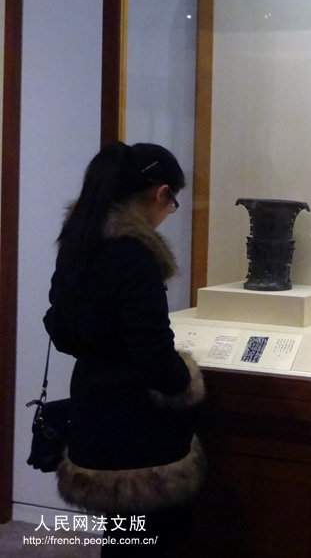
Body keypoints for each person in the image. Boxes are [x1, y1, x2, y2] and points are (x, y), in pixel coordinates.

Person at [44, 141, 205, 556]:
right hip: (138, 428)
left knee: (123, 536)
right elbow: (153, 355)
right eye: (173, 204)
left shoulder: (79, 244)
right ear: (160, 193)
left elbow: (60, 330)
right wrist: (185, 378)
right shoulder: (135, 256)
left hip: (94, 410)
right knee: (156, 539)